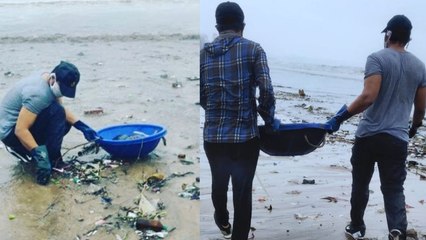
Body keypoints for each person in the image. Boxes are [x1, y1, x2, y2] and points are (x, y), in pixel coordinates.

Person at [327, 15, 426, 240]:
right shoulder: (420, 67)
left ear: (388, 35)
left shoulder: (377, 58)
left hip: (368, 135)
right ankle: (397, 230)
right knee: (393, 188)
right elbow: (420, 108)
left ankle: (357, 227)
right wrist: (413, 128)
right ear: (408, 38)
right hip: (397, 139)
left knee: (360, 184)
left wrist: (340, 117)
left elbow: (368, 97)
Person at [200, 2, 278, 239]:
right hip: (245, 138)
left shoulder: (202, 55)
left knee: (219, 183)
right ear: (242, 26)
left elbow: (200, 94)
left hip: (213, 137)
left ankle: (222, 219)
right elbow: (266, 90)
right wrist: (267, 117)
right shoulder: (254, 50)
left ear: (217, 26)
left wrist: (213, 110)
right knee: (242, 193)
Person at [0, 61, 99, 185]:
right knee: (57, 113)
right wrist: (41, 157)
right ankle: (51, 159)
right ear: (53, 79)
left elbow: (61, 111)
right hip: (10, 134)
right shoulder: (38, 94)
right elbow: (20, 130)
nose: (63, 93)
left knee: (62, 118)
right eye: (62, 89)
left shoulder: (47, 79)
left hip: (18, 127)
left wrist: (82, 126)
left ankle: (46, 155)